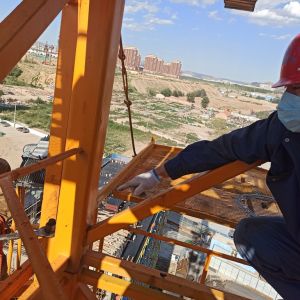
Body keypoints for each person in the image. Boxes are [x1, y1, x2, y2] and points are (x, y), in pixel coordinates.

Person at [118, 34, 300, 299]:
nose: (288, 98)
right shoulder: (282, 129)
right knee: (251, 235)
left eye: (297, 90)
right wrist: (159, 174)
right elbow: (222, 148)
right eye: (290, 89)